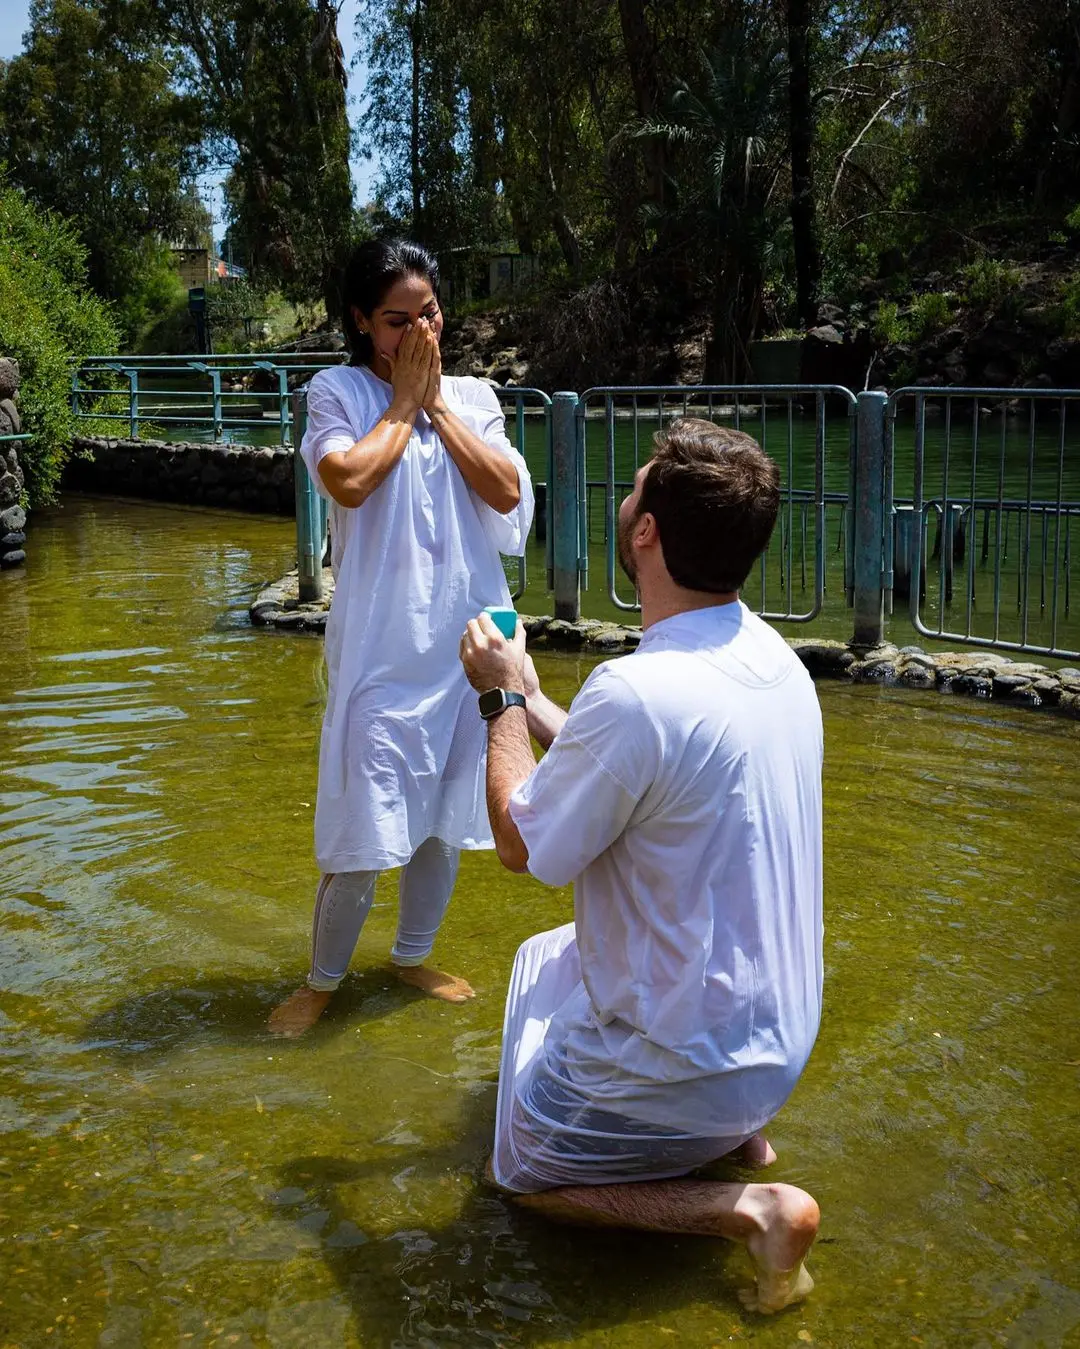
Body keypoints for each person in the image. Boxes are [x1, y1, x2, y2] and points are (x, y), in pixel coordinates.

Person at [459, 418, 823, 1314]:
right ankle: (739, 1133)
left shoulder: (636, 693)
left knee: (522, 1172)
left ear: (647, 531)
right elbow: (638, 762)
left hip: (695, 1059)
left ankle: (749, 1209)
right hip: (781, 1035)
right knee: (557, 949)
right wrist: (545, 699)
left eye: (635, 487)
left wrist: (502, 696)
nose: (624, 500)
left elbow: (522, 843)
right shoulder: (775, 659)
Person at [270, 239, 534, 1037]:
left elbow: (509, 492)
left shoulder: (474, 395)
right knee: (360, 835)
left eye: (429, 313)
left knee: (445, 820)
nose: (418, 331)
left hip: (470, 645)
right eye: (396, 319)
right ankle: (321, 980)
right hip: (382, 654)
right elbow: (346, 478)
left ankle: (411, 954)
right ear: (361, 321)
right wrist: (401, 406)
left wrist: (438, 405)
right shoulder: (338, 391)